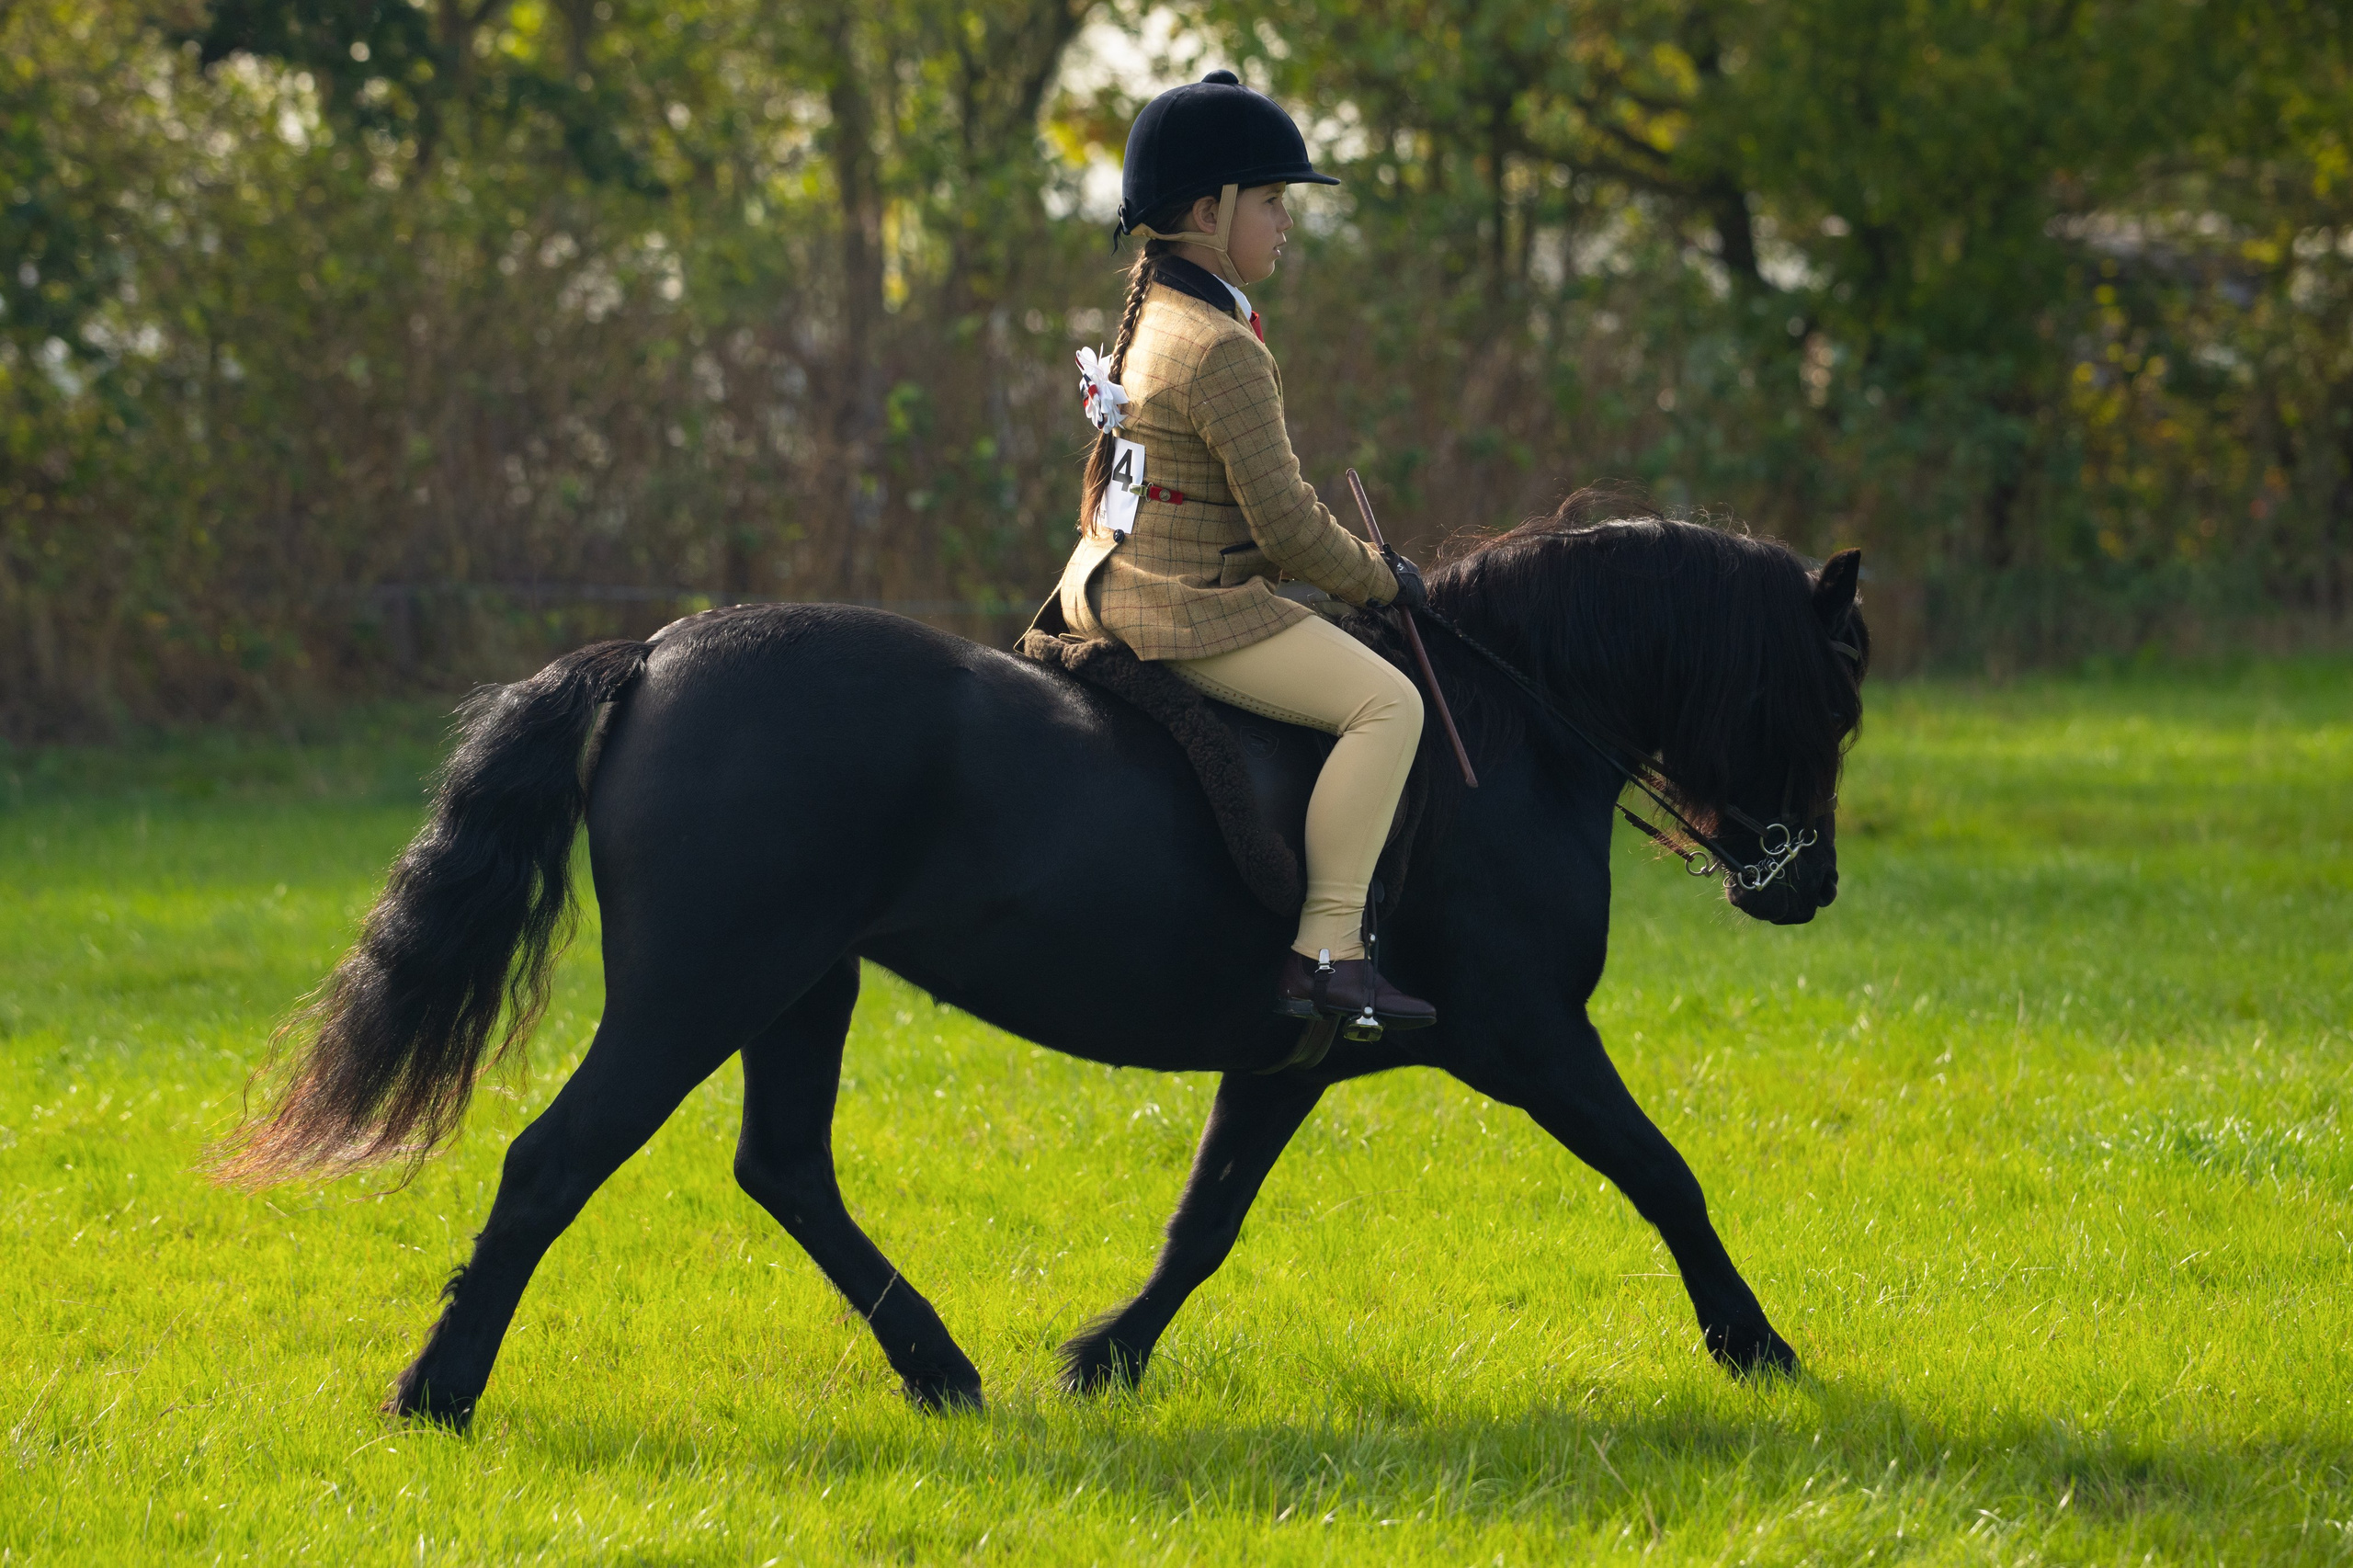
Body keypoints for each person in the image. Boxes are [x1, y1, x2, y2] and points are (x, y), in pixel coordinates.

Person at [1050, 69, 1438, 1033]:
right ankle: (1329, 951)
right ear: (1206, 212)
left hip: (1105, 580)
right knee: (1389, 702)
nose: (1284, 222)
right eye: (1270, 201)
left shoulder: (1156, 313)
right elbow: (1290, 529)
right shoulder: (1220, 346)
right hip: (1181, 604)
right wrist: (1383, 579)